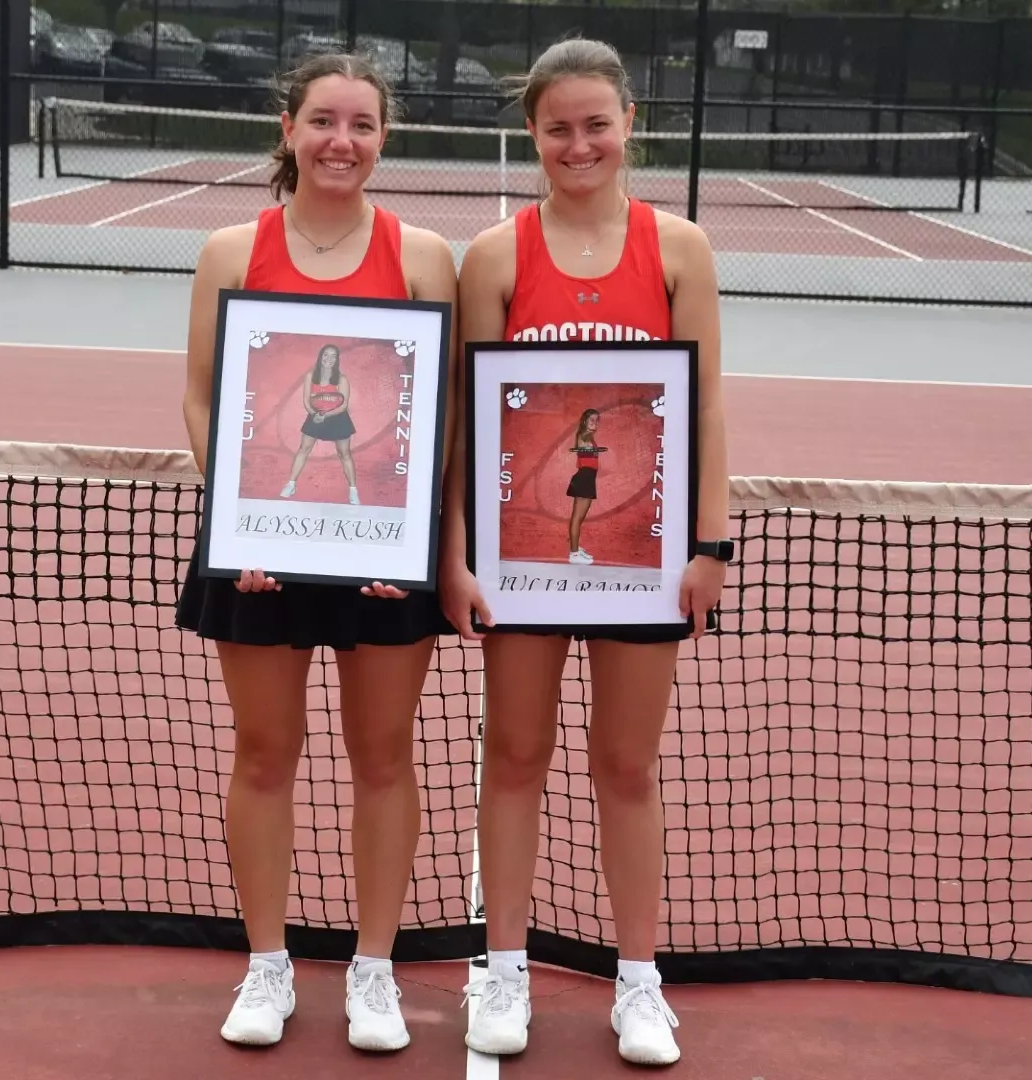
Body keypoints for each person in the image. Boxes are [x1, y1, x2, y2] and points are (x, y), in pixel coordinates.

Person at [439, 36, 731, 1067]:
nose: (579, 144)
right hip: (519, 564)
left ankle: (639, 983)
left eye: (596, 124)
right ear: (532, 132)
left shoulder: (680, 249)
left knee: (626, 766)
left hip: (648, 563)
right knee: (515, 755)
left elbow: (707, 406)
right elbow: (469, 423)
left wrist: (710, 544)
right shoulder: (496, 257)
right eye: (558, 127)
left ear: (628, 125)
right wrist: (458, 552)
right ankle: (503, 968)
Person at [175, 51, 460, 1053]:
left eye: (363, 125)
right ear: (288, 128)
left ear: (384, 139)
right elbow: (202, 398)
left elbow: (440, 413)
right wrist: (242, 521)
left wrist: (409, 536)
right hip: (258, 551)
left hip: (385, 556)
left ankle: (373, 971)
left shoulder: (423, 256)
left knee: (383, 757)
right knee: (264, 754)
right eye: (325, 121)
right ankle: (268, 965)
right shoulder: (231, 250)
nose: (343, 141)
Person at [280, 342, 359, 504]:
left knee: (344, 454)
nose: (329, 358)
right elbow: (306, 400)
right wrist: (314, 414)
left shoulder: (342, 379)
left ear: (337, 360)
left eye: (333, 356)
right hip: (315, 415)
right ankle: (291, 484)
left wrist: (326, 415)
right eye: (326, 355)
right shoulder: (311, 376)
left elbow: (344, 405)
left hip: (337, 417)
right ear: (320, 356)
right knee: (303, 449)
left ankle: (353, 491)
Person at [565, 407, 604, 563]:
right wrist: (587, 448)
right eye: (591, 419)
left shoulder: (589, 436)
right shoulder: (583, 435)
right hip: (584, 477)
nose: (595, 422)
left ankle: (575, 548)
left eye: (597, 420)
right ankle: (574, 554)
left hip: (587, 478)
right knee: (577, 517)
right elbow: (582, 447)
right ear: (584, 421)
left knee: (579, 518)